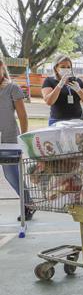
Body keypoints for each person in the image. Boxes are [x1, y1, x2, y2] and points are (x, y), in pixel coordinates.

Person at [0, 57, 33, 221]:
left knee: (11, 174)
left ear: (1, 68)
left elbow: (22, 115)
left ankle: (28, 205)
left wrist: (23, 139)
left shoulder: (12, 88)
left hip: (10, 138)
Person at [41, 55, 83, 125]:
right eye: (62, 67)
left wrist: (79, 90)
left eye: (68, 67)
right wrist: (60, 85)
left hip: (77, 121)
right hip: (57, 121)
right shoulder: (49, 80)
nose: (66, 69)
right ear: (56, 68)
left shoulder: (77, 81)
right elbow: (49, 102)